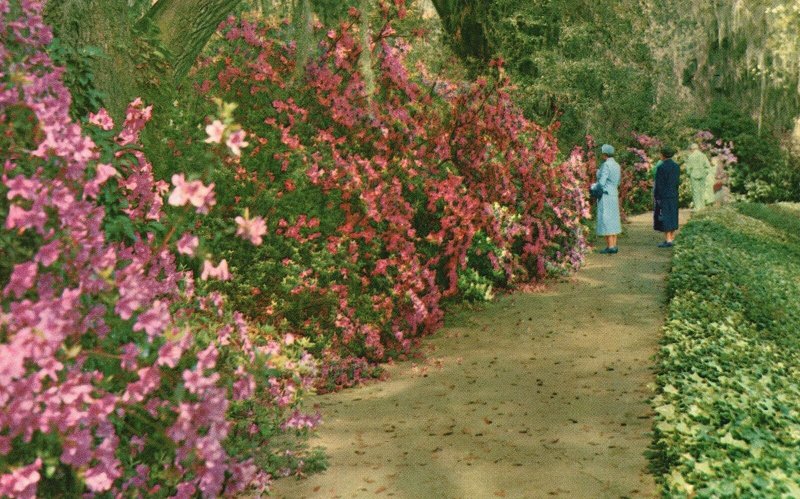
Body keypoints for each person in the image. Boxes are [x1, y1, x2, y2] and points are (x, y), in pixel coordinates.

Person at [592, 144, 621, 254]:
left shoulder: (606, 165)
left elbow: (602, 182)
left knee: (607, 219)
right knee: (614, 219)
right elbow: (618, 181)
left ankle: (610, 246)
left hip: (606, 194)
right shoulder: (617, 165)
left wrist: (597, 175)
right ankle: (614, 245)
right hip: (614, 193)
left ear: (605, 154)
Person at [653, 146, 680, 247]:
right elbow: (677, 182)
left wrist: (656, 196)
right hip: (673, 194)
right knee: (673, 215)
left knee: (665, 216)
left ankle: (668, 240)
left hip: (664, 195)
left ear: (663, 155)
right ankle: (671, 238)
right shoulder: (676, 166)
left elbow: (659, 184)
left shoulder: (661, 167)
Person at [684, 143, 713, 211]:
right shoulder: (703, 155)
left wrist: (689, 174)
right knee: (702, 190)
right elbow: (708, 166)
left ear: (692, 149)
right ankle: (702, 206)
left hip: (694, 175)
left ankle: (697, 207)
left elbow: (688, 168)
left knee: (695, 191)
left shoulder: (691, 156)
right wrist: (705, 173)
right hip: (702, 174)